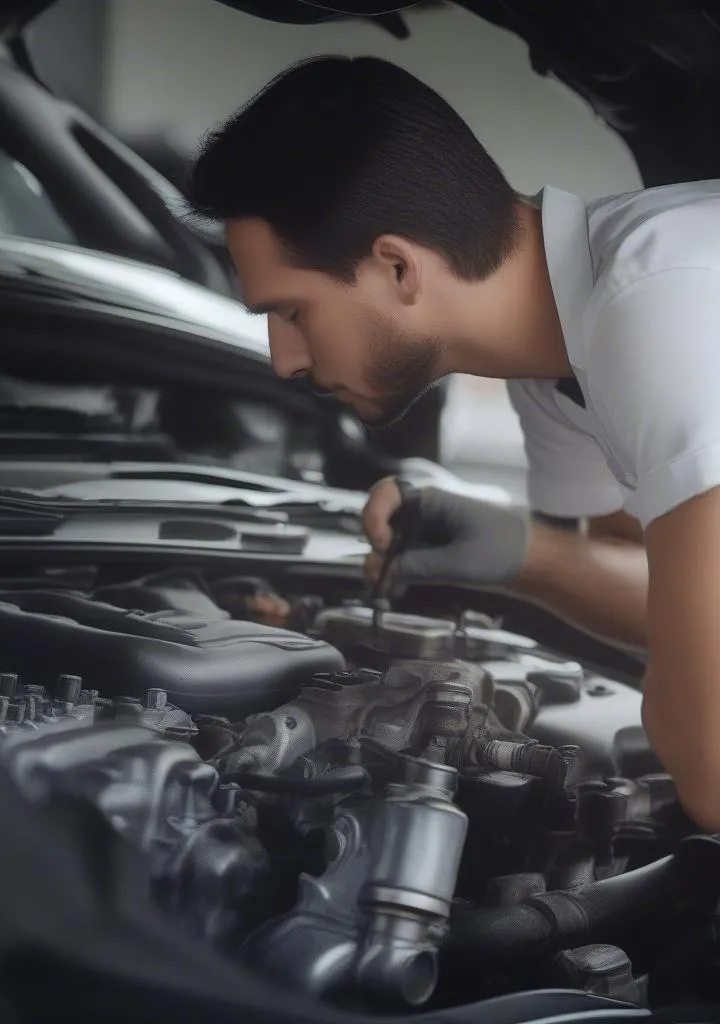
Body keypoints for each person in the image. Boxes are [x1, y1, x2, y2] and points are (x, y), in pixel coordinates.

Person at [188, 55, 720, 831]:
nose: (284, 359)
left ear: (398, 266)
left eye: (293, 312)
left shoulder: (650, 307)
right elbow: (666, 597)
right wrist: (522, 553)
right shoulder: (553, 370)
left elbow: (711, 759)